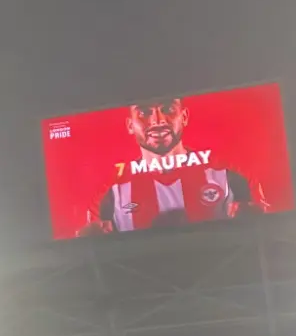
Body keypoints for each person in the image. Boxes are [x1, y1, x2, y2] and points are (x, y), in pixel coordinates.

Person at [79, 96, 269, 234]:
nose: (158, 121)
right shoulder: (110, 191)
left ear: (184, 117)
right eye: (144, 113)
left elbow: (263, 233)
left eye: (168, 109)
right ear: (130, 125)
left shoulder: (229, 174)